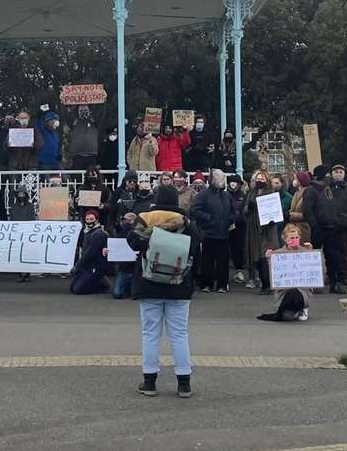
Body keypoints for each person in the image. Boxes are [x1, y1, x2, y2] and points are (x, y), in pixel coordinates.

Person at [125, 183, 196, 398]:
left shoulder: (147, 218)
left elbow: (132, 243)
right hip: (179, 284)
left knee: (150, 334)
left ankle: (149, 381)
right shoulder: (188, 223)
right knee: (179, 334)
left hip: (149, 283)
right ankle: (184, 382)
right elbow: (196, 249)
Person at [301, 166, 347, 294]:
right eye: (327, 174)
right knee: (314, 258)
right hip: (319, 228)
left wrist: (336, 221)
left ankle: (335, 283)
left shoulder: (328, 189)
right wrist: (315, 225)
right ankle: (314, 284)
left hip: (332, 228)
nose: (329, 177)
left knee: (334, 257)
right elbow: (307, 210)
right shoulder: (310, 190)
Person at [191, 169, 235, 293]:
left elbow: (234, 210)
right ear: (213, 179)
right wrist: (209, 219)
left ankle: (222, 284)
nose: (222, 181)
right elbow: (195, 210)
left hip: (224, 233)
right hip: (209, 233)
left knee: (223, 261)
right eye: (220, 178)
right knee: (207, 260)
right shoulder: (204, 194)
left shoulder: (227, 195)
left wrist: (231, 219)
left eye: (223, 178)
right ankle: (206, 284)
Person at [257, 222, 311, 322]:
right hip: (284, 293)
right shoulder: (278, 254)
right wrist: (269, 259)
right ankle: (292, 311)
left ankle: (302, 308)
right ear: (285, 239)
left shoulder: (305, 252)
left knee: (295, 292)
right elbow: (273, 277)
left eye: (296, 237)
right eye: (291, 238)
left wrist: (311, 254)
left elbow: (319, 274)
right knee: (286, 317)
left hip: (301, 292)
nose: (294, 240)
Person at [244, 170, 280, 291]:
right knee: (256, 255)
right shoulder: (251, 193)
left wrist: (272, 219)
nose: (260, 181)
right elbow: (245, 211)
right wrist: (248, 208)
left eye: (262, 179)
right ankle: (263, 283)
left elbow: (275, 211)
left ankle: (268, 284)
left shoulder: (271, 193)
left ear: (267, 180)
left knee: (266, 254)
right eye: (258, 179)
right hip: (253, 226)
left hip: (267, 228)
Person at [69, 208, 111, 294]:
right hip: (86, 266)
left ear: (97, 220)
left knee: (78, 290)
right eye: (87, 219)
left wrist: (77, 266)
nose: (89, 221)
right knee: (72, 288)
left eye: (91, 219)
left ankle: (102, 283)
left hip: (95, 267)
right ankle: (99, 279)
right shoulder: (87, 232)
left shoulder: (98, 234)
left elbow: (90, 253)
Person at [69, 105, 100, 171]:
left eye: (85, 110)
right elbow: (66, 114)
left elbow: (101, 112)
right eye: (81, 111)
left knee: (91, 178)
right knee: (78, 179)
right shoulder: (74, 122)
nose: (83, 112)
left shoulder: (94, 122)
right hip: (78, 156)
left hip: (91, 155)